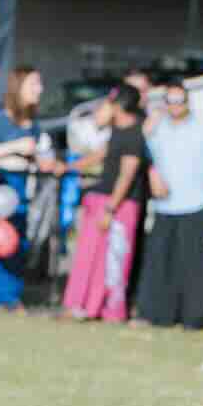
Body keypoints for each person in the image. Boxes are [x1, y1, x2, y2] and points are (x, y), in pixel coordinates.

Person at [139, 80, 203, 330]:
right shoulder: (157, 127)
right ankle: (160, 315)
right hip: (165, 206)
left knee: (195, 266)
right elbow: (141, 150)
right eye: (169, 101)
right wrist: (152, 172)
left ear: (188, 101)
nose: (174, 106)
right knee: (162, 264)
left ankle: (195, 317)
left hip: (198, 202)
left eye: (179, 100)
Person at [0, 66, 55, 310]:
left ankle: (9, 296)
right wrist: (15, 146)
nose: (40, 89)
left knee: (16, 243)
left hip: (22, 190)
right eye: (34, 84)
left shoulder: (34, 124)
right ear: (19, 87)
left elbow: (38, 154)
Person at [61, 89, 148, 322]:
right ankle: (80, 304)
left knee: (112, 260)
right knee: (88, 255)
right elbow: (100, 155)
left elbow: (127, 175)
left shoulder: (134, 135)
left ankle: (107, 309)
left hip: (118, 204)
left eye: (106, 105)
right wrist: (67, 167)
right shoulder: (117, 132)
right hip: (102, 198)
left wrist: (110, 209)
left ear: (117, 107)